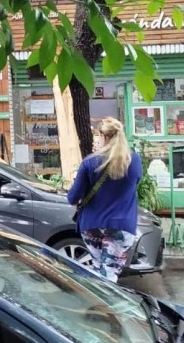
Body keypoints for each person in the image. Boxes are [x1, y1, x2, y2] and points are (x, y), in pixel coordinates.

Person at [67, 117, 142, 283]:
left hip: (92, 224)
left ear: (104, 136)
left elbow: (73, 198)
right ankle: (107, 306)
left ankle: (102, 304)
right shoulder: (134, 161)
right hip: (121, 226)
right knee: (109, 271)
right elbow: (135, 183)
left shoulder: (89, 163)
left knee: (99, 267)